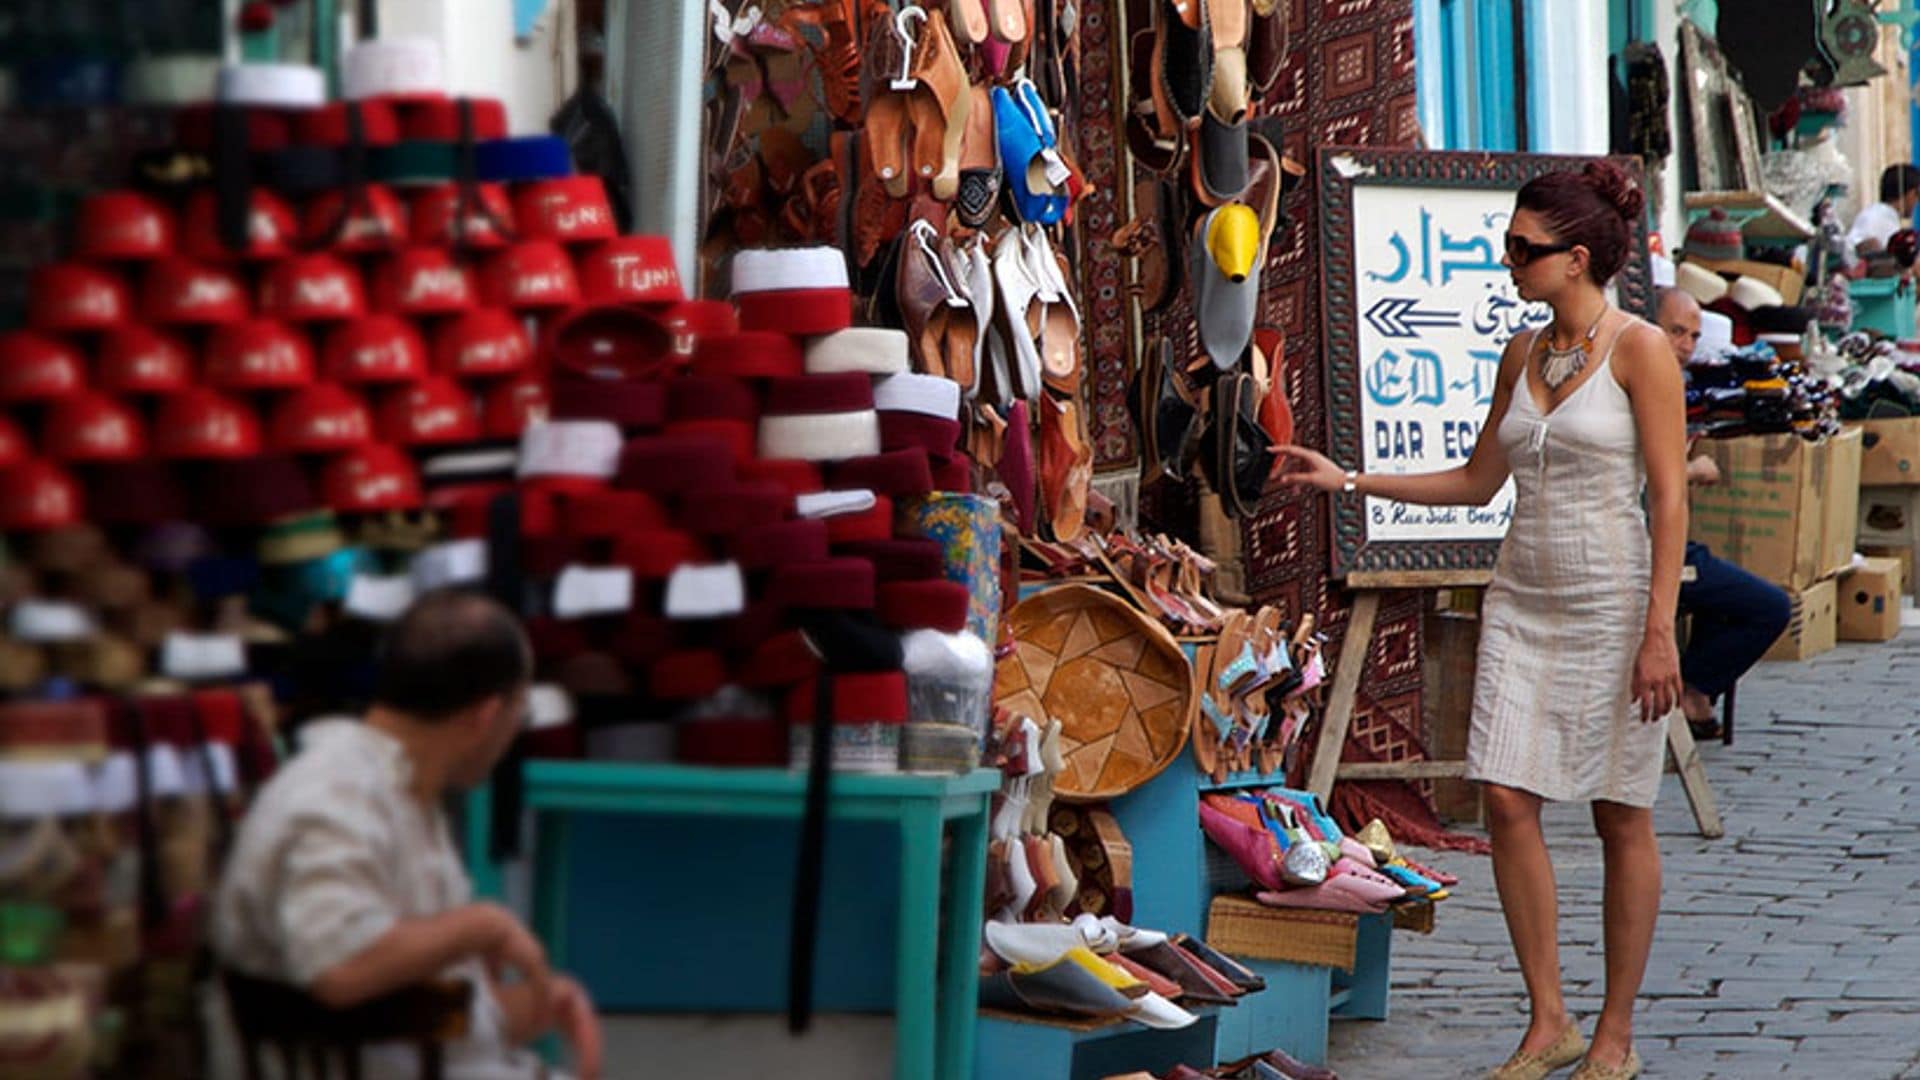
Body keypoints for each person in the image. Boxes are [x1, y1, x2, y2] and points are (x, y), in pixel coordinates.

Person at [1275, 161, 1683, 1080]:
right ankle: (1550, 1019)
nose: (1506, 262)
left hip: (1615, 604)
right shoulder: (1524, 353)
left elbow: (1669, 498)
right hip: (1523, 599)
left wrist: (1659, 630)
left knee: (1622, 813)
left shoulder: (1640, 352)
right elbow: (1476, 480)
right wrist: (1351, 479)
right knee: (1504, 796)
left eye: (1522, 250)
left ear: (1575, 259)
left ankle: (1614, 1033)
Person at [214, 590, 602, 1079]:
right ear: (485, 717)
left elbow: (412, 1011)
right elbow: (341, 967)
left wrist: (529, 1009)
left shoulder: (402, 793)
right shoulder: (337, 794)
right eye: (518, 715)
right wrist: (481, 926)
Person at [1653, 287, 1792, 738]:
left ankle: (1693, 687)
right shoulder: (1642, 384)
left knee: (1727, 598)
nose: (1686, 346)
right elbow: (1641, 476)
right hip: (1646, 546)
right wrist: (1693, 468)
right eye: (1677, 332)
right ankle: (1693, 689)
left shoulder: (1675, 384)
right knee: (1770, 607)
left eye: (1693, 336)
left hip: (1671, 541)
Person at [1847, 163, 1920, 256]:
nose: (1917, 201)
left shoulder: (1878, 213)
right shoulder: (1883, 220)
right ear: (1909, 193)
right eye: (1917, 194)